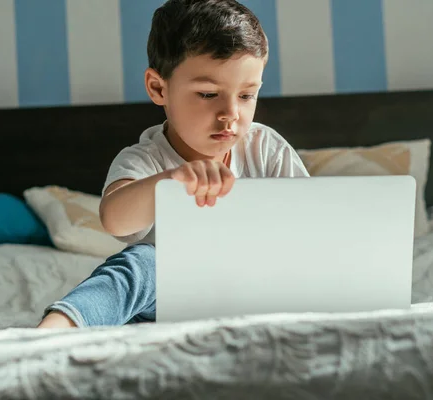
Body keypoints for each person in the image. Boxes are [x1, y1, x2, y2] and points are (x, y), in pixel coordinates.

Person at [37, 0, 309, 328]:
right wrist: (171, 180)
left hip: (257, 289)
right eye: (208, 94)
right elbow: (115, 220)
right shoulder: (145, 159)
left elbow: (311, 225)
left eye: (246, 95)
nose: (231, 114)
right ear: (158, 88)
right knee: (140, 264)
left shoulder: (267, 150)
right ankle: (55, 330)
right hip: (173, 295)